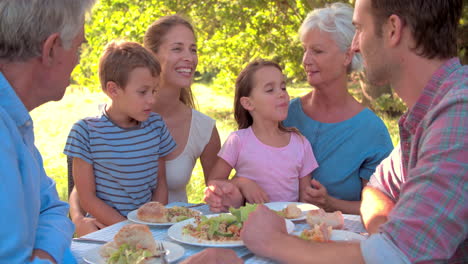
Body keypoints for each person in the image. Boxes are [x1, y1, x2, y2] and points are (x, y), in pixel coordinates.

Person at [240, 0, 467, 263]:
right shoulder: (428, 113)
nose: (356, 45)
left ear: (393, 29)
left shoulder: (460, 112)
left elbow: (397, 257)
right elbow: (378, 190)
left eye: (360, 29)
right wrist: (386, 239)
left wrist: (272, 241)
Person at [205, 3, 393, 215]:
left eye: (317, 51)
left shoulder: (371, 130)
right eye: (305, 50)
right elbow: (247, 173)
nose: (305, 60)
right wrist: (238, 183)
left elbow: (384, 208)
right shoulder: (283, 112)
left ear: (347, 56)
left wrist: (331, 204)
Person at [0, 0, 96, 263]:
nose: (77, 62)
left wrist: (41, 256)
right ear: (51, 49)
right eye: (78, 47)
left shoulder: (15, 119)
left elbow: (53, 208)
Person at [64, 41, 175, 227]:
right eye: (143, 92)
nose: (152, 99)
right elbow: (87, 197)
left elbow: (160, 183)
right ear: (113, 89)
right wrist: (128, 228)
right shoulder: (85, 132)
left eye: (154, 90)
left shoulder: (156, 125)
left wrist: (153, 222)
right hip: (105, 233)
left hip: (149, 228)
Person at [208, 59, 318, 204]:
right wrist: (241, 183)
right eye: (270, 90)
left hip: (290, 225)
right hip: (248, 225)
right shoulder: (238, 141)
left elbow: (305, 202)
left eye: (283, 87)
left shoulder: (301, 143)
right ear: (248, 103)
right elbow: (213, 183)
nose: (281, 94)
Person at [144, 15, 221, 202]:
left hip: (175, 229)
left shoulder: (204, 129)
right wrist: (80, 219)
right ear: (151, 56)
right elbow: (82, 188)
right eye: (177, 49)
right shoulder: (116, 115)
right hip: (114, 229)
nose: (189, 58)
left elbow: (219, 200)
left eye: (193, 50)